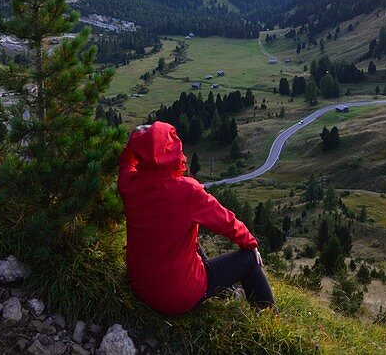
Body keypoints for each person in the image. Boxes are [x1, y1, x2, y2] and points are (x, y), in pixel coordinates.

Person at [117, 122, 275, 315]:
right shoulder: (188, 191)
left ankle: (224, 292)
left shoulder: (129, 185)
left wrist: (138, 139)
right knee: (249, 259)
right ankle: (269, 319)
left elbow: (126, 162)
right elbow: (226, 222)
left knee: (190, 241)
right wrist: (250, 243)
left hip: (140, 287)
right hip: (177, 297)